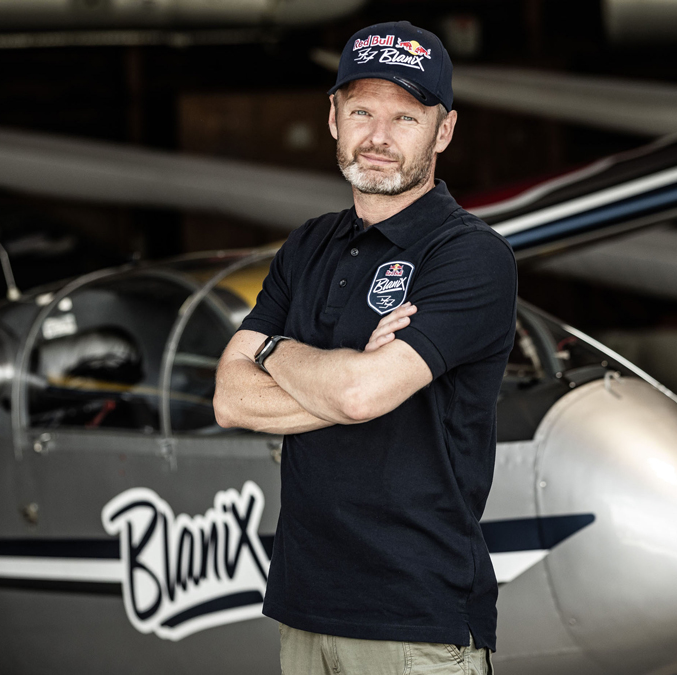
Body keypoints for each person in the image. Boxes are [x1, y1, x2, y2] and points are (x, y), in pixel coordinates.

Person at [213, 20, 517, 675]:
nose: (378, 137)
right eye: (361, 111)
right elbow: (230, 400)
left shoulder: (470, 256)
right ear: (332, 118)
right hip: (304, 609)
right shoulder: (308, 245)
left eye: (407, 117)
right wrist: (348, 373)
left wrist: (273, 350)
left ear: (445, 131)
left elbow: (357, 395)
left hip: (416, 619)